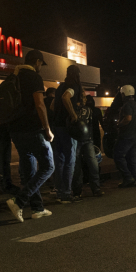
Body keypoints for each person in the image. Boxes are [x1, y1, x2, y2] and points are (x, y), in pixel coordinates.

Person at [6, 50, 56, 222]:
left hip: (15, 130)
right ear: (36, 62)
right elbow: (40, 104)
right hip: (33, 130)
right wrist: (47, 129)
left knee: (29, 171)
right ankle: (18, 201)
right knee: (48, 167)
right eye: (41, 64)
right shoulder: (34, 77)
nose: (40, 66)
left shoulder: (13, 77)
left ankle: (37, 208)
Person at [51, 65, 85, 204]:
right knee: (70, 160)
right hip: (67, 128)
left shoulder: (60, 87)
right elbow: (66, 98)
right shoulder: (73, 86)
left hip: (56, 126)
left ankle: (59, 191)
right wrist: (73, 115)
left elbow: (52, 105)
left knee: (59, 161)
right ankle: (66, 193)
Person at [72, 88, 104, 198]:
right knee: (84, 164)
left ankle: (88, 190)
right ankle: (86, 190)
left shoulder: (83, 110)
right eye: (84, 97)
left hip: (83, 139)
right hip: (81, 139)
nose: (85, 99)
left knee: (86, 164)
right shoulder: (79, 109)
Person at [114, 84, 136, 188]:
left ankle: (128, 177)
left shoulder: (127, 105)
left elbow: (128, 118)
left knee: (118, 156)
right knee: (133, 158)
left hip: (127, 136)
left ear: (123, 94)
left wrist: (119, 124)